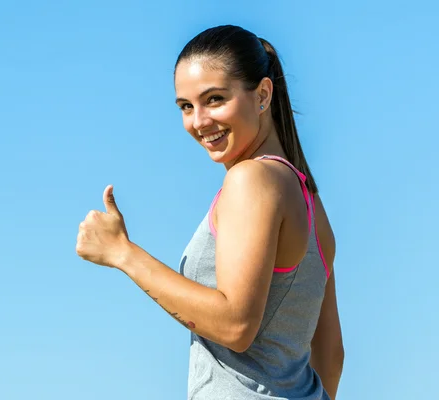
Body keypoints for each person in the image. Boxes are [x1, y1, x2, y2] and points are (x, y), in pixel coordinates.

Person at [76, 24, 344, 400]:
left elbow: (236, 325)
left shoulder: (251, 179)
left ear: (263, 94)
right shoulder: (312, 203)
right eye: (186, 106)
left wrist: (123, 253)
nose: (198, 121)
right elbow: (331, 355)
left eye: (215, 99)